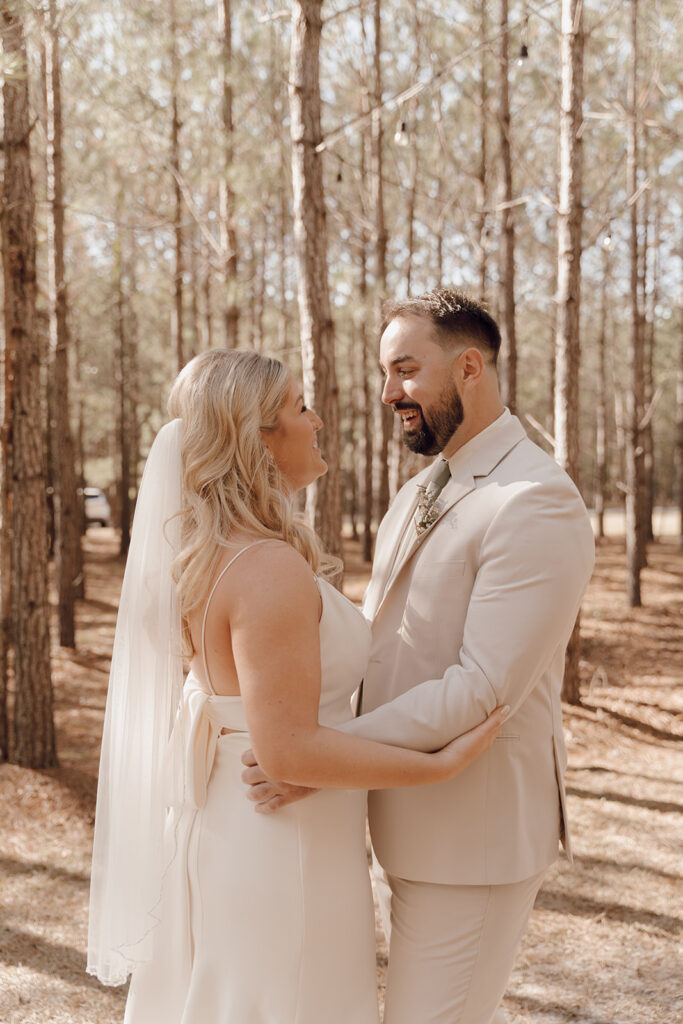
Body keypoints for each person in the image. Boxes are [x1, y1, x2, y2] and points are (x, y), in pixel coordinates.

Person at [86, 347, 507, 1023]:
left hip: (245, 831)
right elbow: (285, 753)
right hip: (282, 847)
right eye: (299, 407)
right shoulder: (265, 568)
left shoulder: (223, 553)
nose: (317, 421)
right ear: (257, 436)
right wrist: (438, 765)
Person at [243, 289, 596, 1024]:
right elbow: (388, 647)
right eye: (383, 372)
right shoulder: (417, 491)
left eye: (405, 370)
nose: (386, 394)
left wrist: (318, 756)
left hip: (476, 834)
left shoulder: (535, 499)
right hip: (406, 815)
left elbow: (480, 688)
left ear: (469, 366)